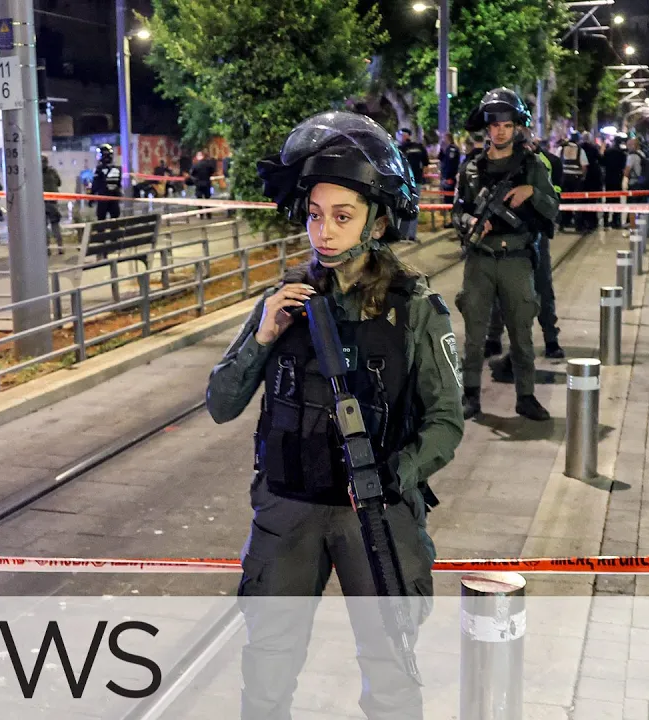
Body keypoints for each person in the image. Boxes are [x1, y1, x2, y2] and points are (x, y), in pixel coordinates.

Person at [212, 110, 463, 720]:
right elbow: (221, 403)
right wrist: (263, 335)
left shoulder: (414, 308)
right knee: (266, 671)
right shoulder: (284, 300)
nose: (323, 232)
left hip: (374, 516)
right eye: (314, 214)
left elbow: (446, 422)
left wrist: (396, 473)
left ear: (378, 221)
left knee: (391, 675)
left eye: (342, 216)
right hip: (288, 511)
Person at [452, 88, 557, 421]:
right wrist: (470, 222)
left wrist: (532, 191)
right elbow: (457, 211)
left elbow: (553, 207)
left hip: (516, 258)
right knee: (474, 335)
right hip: (480, 258)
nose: (500, 131)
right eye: (495, 125)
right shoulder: (471, 168)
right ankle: (470, 395)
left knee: (521, 333)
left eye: (507, 125)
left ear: (516, 127)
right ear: (487, 128)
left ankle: (525, 396)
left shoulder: (531, 166)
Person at [485, 132, 563, 364]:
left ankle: (550, 338)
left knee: (542, 286)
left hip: (534, 234)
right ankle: (493, 337)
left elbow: (553, 201)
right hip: (504, 235)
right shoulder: (493, 162)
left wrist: (532, 193)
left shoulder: (544, 162)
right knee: (498, 287)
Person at [397, 129, 429, 242]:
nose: (401, 137)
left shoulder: (401, 148)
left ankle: (403, 234)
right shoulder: (419, 147)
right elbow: (426, 165)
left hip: (407, 182)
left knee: (404, 206)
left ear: (406, 136)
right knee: (412, 206)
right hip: (414, 181)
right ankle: (410, 235)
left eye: (402, 135)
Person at [558, 133, 588, 233]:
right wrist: (583, 177)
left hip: (564, 178)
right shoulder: (580, 150)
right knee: (578, 202)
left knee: (564, 201)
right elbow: (584, 166)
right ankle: (578, 225)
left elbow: (556, 162)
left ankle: (563, 223)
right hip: (576, 179)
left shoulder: (561, 149)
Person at [90, 143, 123, 220]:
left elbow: (95, 185)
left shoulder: (99, 170)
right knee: (115, 221)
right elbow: (119, 185)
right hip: (114, 199)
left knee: (101, 221)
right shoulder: (117, 169)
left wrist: (91, 198)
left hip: (102, 199)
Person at [602, 138, 628, 229]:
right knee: (616, 200)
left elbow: (603, 163)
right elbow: (623, 166)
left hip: (608, 178)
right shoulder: (622, 153)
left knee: (608, 199)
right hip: (617, 178)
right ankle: (615, 221)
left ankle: (605, 220)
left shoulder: (607, 152)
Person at [438, 133, 462, 229]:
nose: (443, 140)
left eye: (444, 138)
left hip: (449, 178)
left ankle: (454, 221)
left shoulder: (453, 149)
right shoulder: (447, 149)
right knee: (447, 200)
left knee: (450, 201)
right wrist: (441, 149)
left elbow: (451, 165)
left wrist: (449, 177)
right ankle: (452, 220)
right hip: (446, 177)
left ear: (448, 138)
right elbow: (441, 158)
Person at [581, 134, 603, 231]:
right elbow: (601, 160)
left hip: (583, 178)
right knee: (592, 200)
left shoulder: (580, 148)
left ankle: (583, 221)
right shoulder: (594, 148)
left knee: (583, 200)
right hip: (593, 178)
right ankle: (593, 221)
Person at [42, 155, 63, 252]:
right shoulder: (53, 171)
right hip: (53, 202)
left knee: (44, 226)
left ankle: (47, 249)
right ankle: (60, 247)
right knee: (55, 225)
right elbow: (59, 183)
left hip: (41, 203)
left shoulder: (36, 173)